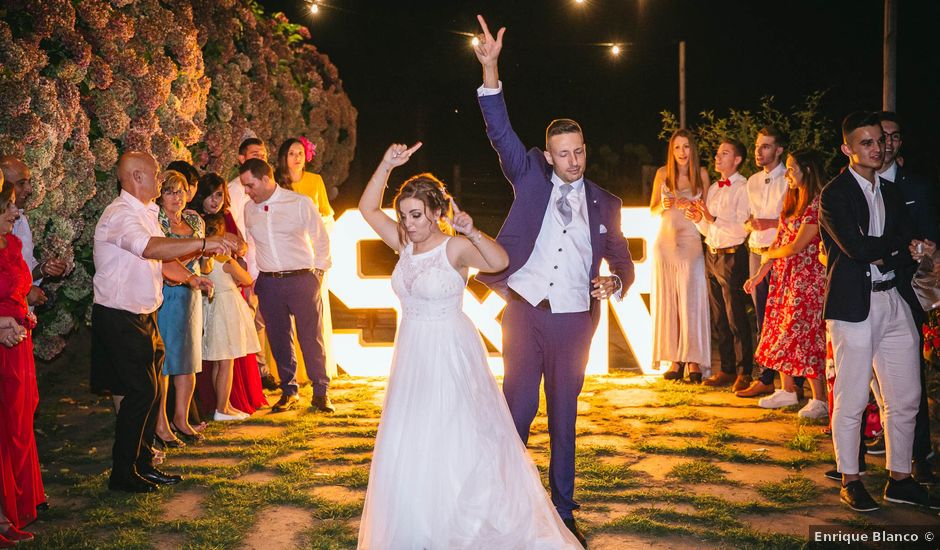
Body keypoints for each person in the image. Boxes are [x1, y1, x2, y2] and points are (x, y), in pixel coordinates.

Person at [356, 142, 581, 549]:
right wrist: (386, 164)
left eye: (417, 215)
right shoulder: (403, 245)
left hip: (449, 353)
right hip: (412, 355)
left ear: (437, 213)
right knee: (413, 437)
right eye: (405, 216)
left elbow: (498, 262)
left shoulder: (453, 247)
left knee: (454, 435)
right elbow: (368, 210)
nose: (409, 224)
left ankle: (464, 521)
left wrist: (472, 230)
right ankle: (421, 522)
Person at [473, 15, 634, 545]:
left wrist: (615, 283)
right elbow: (500, 132)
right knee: (517, 411)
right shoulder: (530, 175)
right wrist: (491, 68)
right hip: (524, 311)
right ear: (550, 154)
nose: (573, 160)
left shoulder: (605, 202)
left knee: (564, 418)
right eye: (563, 153)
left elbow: (623, 262)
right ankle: (505, 504)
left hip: (573, 322)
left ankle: (563, 512)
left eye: (579, 151)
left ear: (586, 149)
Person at [91, 151, 234, 493]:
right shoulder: (121, 215)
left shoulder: (146, 213)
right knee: (141, 391)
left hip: (143, 314)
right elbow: (151, 249)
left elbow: (160, 261)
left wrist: (190, 279)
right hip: (120, 315)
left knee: (151, 391)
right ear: (137, 177)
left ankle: (141, 464)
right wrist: (203, 242)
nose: (160, 179)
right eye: (155, 174)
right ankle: (122, 473)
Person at [819, 112, 931, 512]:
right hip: (854, 306)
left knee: (907, 396)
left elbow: (901, 238)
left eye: (880, 142)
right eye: (867, 142)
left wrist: (912, 248)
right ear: (848, 149)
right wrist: (902, 248)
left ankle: (900, 478)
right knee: (851, 397)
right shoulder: (835, 194)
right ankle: (850, 478)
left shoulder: (891, 191)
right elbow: (857, 248)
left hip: (894, 301)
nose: (877, 147)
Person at [239, 158, 333, 413]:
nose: (247, 192)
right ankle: (289, 391)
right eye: (245, 187)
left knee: (311, 336)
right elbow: (252, 245)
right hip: (268, 283)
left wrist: (318, 274)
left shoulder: (299, 202)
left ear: (266, 179)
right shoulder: (249, 209)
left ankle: (321, 391)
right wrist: (255, 279)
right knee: (279, 338)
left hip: (302, 278)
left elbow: (320, 238)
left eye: (250, 185)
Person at [876, 111, 940, 483]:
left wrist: (927, 247)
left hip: (907, 291)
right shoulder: (851, 186)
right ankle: (861, 450)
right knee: (866, 377)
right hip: (864, 294)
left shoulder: (918, 187)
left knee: (910, 375)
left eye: (894, 136)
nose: (888, 143)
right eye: (880, 136)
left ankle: (919, 454)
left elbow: (931, 236)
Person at [743, 150, 828, 418]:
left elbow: (797, 245)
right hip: (785, 278)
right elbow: (779, 242)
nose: (788, 174)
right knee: (780, 330)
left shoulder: (817, 203)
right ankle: (788, 390)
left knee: (805, 334)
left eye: (792, 169)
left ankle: (820, 399)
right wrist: (759, 273)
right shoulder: (791, 200)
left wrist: (768, 255)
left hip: (808, 280)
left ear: (808, 171)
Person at [192, 173, 266, 416]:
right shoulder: (194, 221)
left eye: (219, 195)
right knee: (222, 358)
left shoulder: (225, 218)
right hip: (213, 298)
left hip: (225, 294)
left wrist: (239, 246)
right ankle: (220, 406)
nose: (215, 201)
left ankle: (229, 403)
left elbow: (241, 247)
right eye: (210, 195)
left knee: (227, 357)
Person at [270, 137, 338, 386]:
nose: (296, 157)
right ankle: (289, 376)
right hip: (285, 255)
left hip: (310, 254)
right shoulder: (277, 182)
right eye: (291, 153)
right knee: (282, 321)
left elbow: (326, 214)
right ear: (283, 157)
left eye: (300, 153)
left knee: (312, 318)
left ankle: (318, 377)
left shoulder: (315, 181)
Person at [686, 139, 753, 389]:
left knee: (736, 316)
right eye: (717, 153)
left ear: (737, 160)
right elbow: (708, 229)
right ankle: (725, 369)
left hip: (733, 255)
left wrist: (712, 217)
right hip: (712, 254)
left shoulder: (744, 188)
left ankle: (744, 371)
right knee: (719, 317)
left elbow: (742, 228)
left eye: (724, 153)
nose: (717, 157)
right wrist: (698, 219)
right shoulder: (714, 187)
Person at [0, 178, 44, 542]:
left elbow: (21, 287)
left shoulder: (12, 243)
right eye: (9, 207)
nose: (16, 212)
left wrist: (25, 311)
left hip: (18, 341)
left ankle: (17, 504)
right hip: (1, 339)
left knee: (20, 417)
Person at [649, 129, 711, 383]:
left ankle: (694, 360)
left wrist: (696, 210)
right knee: (670, 303)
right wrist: (662, 205)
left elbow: (707, 214)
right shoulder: (662, 174)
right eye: (677, 147)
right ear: (671, 151)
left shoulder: (702, 175)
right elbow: (653, 209)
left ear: (692, 149)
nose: (682, 152)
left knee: (690, 301)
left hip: (691, 244)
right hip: (665, 244)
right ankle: (674, 360)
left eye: (686, 147)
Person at [155, 171, 208, 446]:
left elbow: (200, 257)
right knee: (165, 362)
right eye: (170, 192)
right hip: (166, 294)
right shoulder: (156, 220)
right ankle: (161, 424)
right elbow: (161, 257)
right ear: (160, 196)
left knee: (188, 360)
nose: (177, 197)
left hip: (192, 295)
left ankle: (182, 418)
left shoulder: (195, 219)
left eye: (181, 191)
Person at [200, 214, 260, 421]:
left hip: (213, 308)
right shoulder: (224, 260)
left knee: (220, 362)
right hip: (227, 310)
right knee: (227, 362)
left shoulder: (202, 260)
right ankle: (222, 409)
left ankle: (224, 405)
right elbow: (247, 278)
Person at [0, 156, 70, 308]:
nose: (29, 189)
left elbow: (23, 269)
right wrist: (24, 293)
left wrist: (44, 269)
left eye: (29, 182)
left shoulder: (22, 221)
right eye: (21, 183)